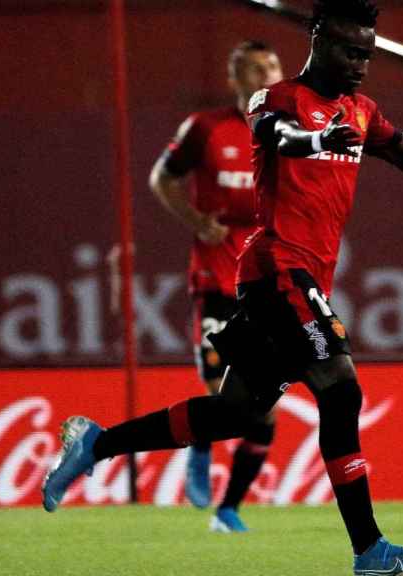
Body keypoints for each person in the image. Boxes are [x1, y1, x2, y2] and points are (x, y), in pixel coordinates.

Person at [42, 1, 403, 574]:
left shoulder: (361, 110)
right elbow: (280, 135)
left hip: (300, 274)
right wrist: (316, 139)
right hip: (278, 268)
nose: (359, 63)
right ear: (316, 37)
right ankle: (370, 550)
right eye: (348, 49)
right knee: (340, 385)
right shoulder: (279, 99)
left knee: (235, 413)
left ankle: (95, 443)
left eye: (366, 53)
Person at [148, 40, 283, 532]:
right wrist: (195, 219)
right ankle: (201, 445)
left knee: (261, 413)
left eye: (272, 66)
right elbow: (162, 178)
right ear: (235, 78)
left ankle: (228, 510)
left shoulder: (291, 134)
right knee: (217, 386)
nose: (265, 75)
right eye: (253, 69)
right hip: (216, 279)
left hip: (268, 287)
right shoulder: (205, 129)